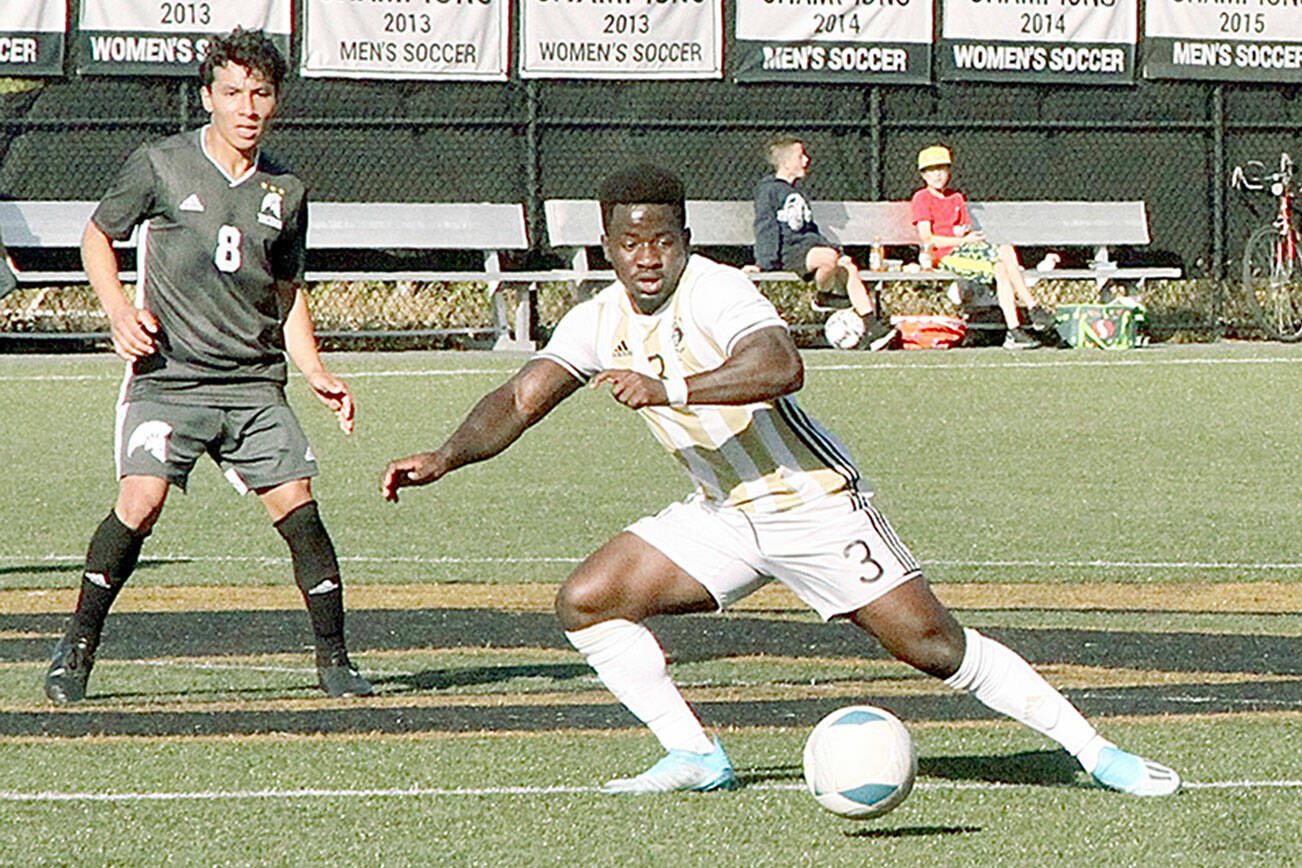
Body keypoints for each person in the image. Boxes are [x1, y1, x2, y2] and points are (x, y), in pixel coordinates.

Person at [381, 163, 1180, 798]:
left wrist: (672, 388)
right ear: (608, 245)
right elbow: (520, 397)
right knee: (587, 600)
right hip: (724, 514)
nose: (648, 257)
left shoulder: (719, 288)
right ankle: (694, 756)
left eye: (662, 240)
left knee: (934, 647)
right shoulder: (598, 318)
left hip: (812, 504)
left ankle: (1098, 753)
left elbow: (781, 364)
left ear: (684, 238)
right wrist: (445, 456)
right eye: (631, 244)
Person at [43, 28, 373, 703]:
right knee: (141, 501)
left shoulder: (286, 189)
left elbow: (286, 291)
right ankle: (76, 646)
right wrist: (118, 313)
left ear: (276, 100)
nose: (247, 107)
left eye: (260, 92)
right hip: (171, 379)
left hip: (253, 384)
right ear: (207, 98)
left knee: (299, 507)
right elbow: (97, 236)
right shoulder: (161, 165)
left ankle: (336, 660)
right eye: (232, 93)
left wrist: (313, 370)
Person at [751, 135, 895, 351]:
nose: (806, 160)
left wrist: (838, 251)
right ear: (786, 163)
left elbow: (810, 230)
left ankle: (872, 328)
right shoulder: (768, 190)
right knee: (828, 258)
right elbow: (765, 226)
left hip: (808, 249)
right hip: (788, 253)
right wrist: (764, 263)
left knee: (848, 267)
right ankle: (823, 297)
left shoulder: (797, 192)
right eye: (801, 156)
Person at [911, 145, 1054, 350]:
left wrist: (967, 236)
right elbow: (928, 239)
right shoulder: (922, 198)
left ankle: (1020, 323)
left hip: (965, 249)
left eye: (942, 169)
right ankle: (1029, 313)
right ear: (923, 175)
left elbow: (961, 228)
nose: (937, 175)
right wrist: (963, 241)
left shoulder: (956, 197)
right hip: (945, 255)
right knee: (1001, 265)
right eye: (932, 170)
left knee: (1004, 255)